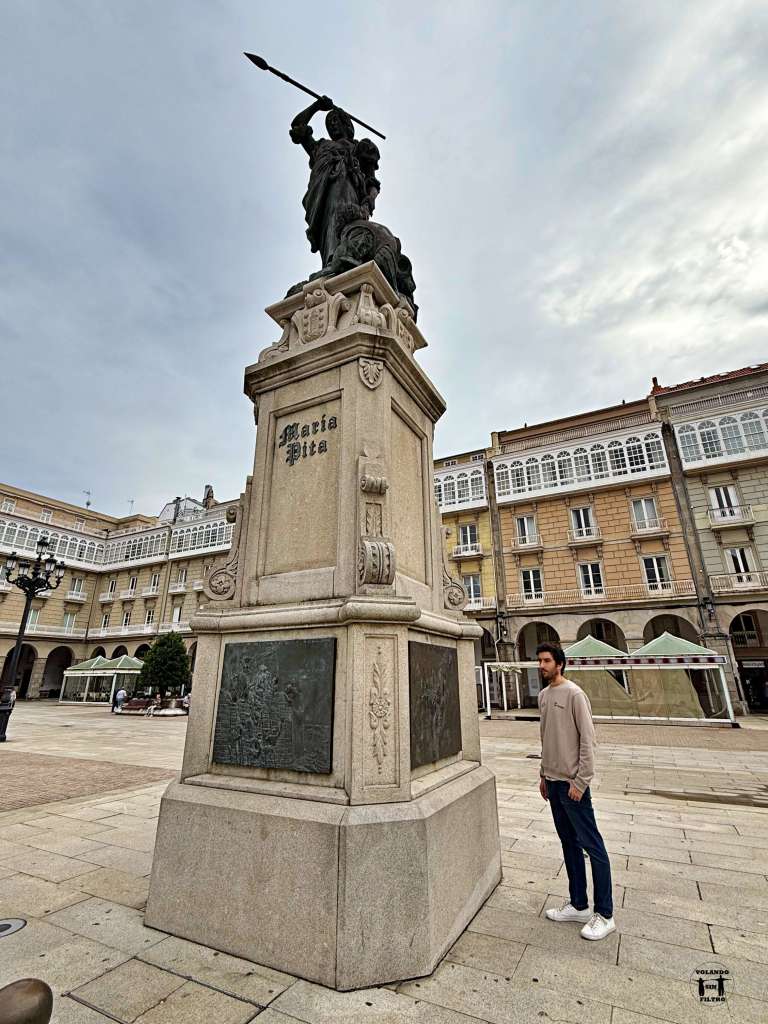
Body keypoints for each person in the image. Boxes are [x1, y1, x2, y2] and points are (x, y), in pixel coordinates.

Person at [536, 642, 615, 941]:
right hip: (553, 784)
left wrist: (581, 782)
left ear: (560, 663)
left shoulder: (574, 694)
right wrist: (543, 773)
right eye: (539, 661)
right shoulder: (544, 696)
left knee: (593, 846)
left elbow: (587, 741)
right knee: (568, 842)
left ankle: (605, 914)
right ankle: (579, 904)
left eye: (546, 661)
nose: (541, 666)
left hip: (573, 785)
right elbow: (545, 737)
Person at [290, 96, 380, 266]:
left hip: (349, 191)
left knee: (342, 220)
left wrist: (369, 201)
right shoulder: (321, 146)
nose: (333, 125)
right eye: (329, 123)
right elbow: (297, 127)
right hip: (321, 193)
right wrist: (316, 106)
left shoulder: (359, 148)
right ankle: (330, 262)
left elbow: (372, 182)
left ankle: (341, 258)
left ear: (348, 125)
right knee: (328, 226)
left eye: (337, 121)